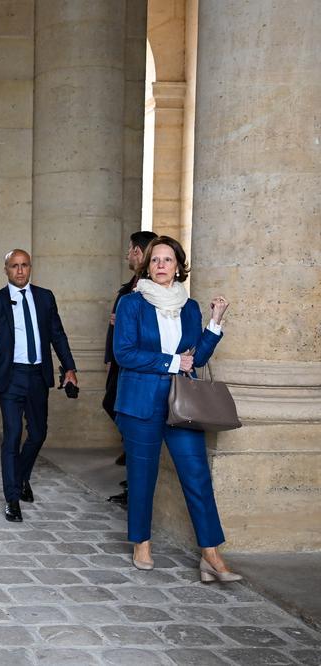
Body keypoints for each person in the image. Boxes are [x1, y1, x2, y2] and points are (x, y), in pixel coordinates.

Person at [112, 235, 239, 582]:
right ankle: (141, 542)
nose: (161, 266)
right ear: (146, 266)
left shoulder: (189, 306)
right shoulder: (131, 304)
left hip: (182, 405)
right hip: (140, 405)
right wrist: (171, 362)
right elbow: (123, 353)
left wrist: (214, 322)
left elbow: (195, 358)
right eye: (155, 260)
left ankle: (210, 553)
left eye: (168, 260)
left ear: (178, 266)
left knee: (196, 474)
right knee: (142, 477)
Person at [0, 249, 77, 523]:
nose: (20, 270)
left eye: (24, 265)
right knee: (12, 436)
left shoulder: (45, 297)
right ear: (6, 269)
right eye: (14, 266)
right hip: (11, 377)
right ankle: (11, 498)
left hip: (38, 376)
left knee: (38, 433)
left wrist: (70, 368)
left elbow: (58, 334)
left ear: (30, 268)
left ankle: (20, 477)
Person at [105, 230, 158, 505]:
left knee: (130, 416)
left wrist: (123, 322)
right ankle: (131, 467)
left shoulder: (152, 287)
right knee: (112, 405)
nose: (128, 255)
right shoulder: (132, 285)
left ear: (138, 251)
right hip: (121, 360)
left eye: (130, 249)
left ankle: (135, 484)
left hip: (138, 366)